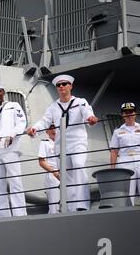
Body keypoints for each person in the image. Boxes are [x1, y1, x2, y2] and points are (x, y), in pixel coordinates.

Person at [27, 74, 98, 212]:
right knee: (66, 176)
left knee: (78, 166)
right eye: (58, 85)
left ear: (70, 86)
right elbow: (44, 121)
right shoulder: (54, 107)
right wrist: (34, 129)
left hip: (77, 142)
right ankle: (71, 207)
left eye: (64, 84)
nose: (61, 87)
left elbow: (87, 112)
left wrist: (91, 118)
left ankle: (82, 204)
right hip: (61, 145)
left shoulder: (80, 102)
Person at [0, 82, 27, 218]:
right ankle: (3, 215)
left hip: (10, 149)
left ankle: (20, 213)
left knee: (15, 181)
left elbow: (21, 123)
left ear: (3, 93)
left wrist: (12, 135)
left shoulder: (13, 106)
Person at [109, 102, 140, 206]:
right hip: (125, 161)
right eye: (126, 112)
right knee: (127, 193)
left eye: (131, 112)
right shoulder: (117, 131)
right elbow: (114, 151)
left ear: (135, 113)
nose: (129, 115)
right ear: (122, 115)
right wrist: (112, 169)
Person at [37, 124, 61, 214]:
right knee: (54, 206)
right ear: (47, 131)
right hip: (53, 175)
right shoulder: (45, 143)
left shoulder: (64, 143)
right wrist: (55, 173)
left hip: (66, 174)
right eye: (50, 128)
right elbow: (41, 162)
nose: (53, 130)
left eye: (55, 128)